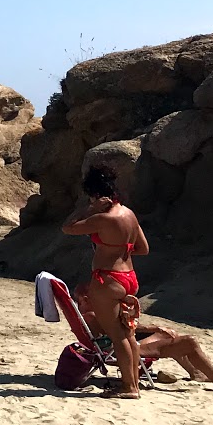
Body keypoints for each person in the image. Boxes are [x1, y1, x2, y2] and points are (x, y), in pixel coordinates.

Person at [62, 166, 149, 398]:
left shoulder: (102, 218)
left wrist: (88, 208)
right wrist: (119, 249)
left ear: (95, 194)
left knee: (117, 336)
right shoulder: (129, 214)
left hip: (108, 278)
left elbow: (67, 228)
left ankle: (129, 387)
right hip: (129, 277)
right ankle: (134, 384)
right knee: (128, 335)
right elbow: (143, 248)